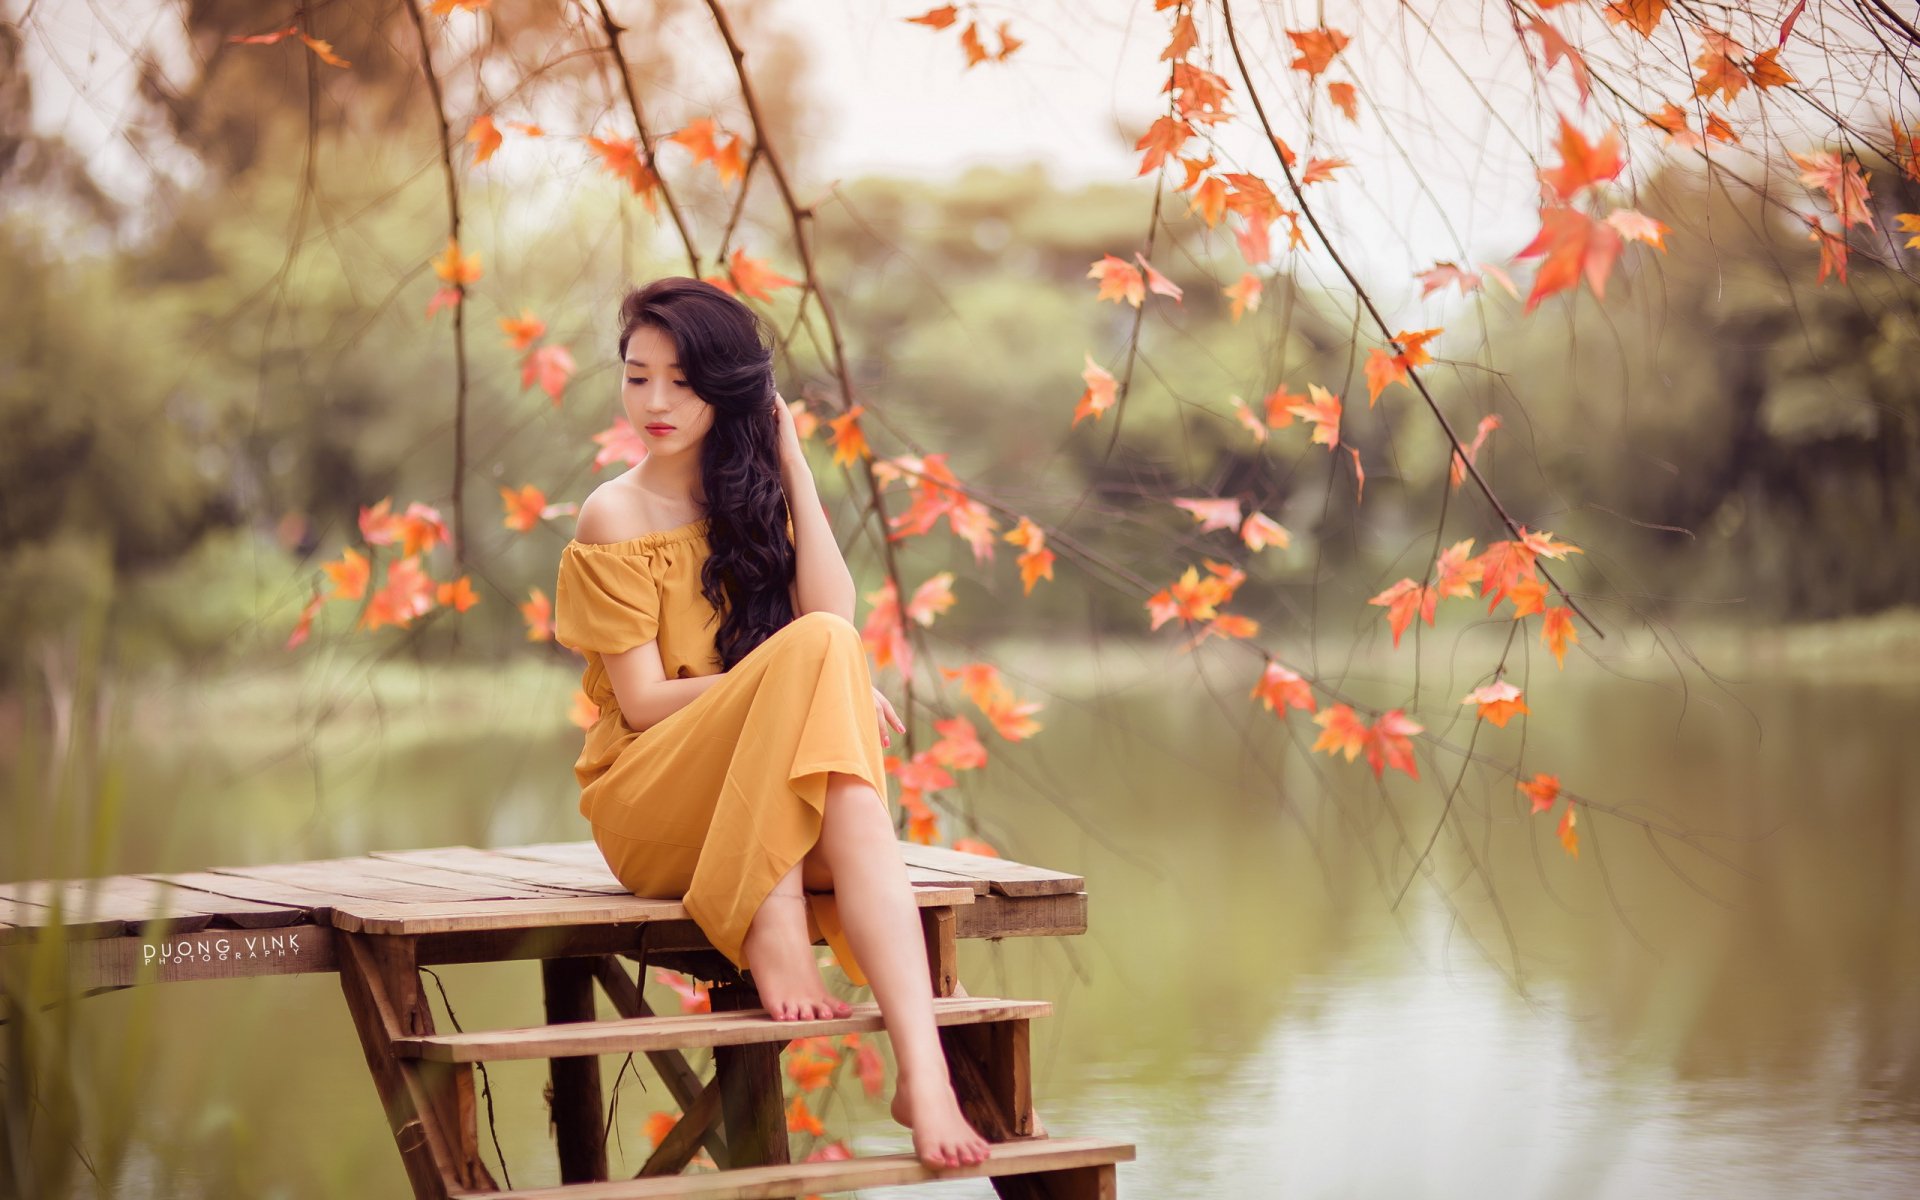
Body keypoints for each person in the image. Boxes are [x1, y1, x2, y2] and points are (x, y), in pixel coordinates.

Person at [552, 276, 993, 1170]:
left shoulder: (756, 501)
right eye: (638, 378)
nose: (657, 402)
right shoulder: (614, 511)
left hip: (759, 795)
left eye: (682, 381)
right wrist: (789, 684)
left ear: (730, 388)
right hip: (654, 801)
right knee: (818, 657)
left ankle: (924, 1076)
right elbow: (640, 704)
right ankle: (775, 915)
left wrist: (792, 466)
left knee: (859, 806)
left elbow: (832, 620)